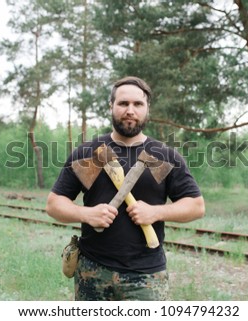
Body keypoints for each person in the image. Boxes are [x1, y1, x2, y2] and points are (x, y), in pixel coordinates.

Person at [46, 76, 205, 301]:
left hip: (146, 275)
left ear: (147, 108)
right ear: (111, 107)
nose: (130, 110)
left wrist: (156, 212)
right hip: (92, 271)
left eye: (138, 104)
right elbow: (54, 204)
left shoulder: (161, 156)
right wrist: (86, 214)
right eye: (123, 103)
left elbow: (196, 206)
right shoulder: (94, 153)